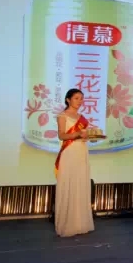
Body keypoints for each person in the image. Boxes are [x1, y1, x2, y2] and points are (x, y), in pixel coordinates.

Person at [54, 88, 94, 237]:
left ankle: (80, 223)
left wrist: (90, 136)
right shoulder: (62, 115)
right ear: (68, 100)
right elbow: (61, 135)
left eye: (81, 98)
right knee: (69, 183)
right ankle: (67, 224)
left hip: (81, 151)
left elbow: (83, 137)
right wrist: (77, 134)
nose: (80, 101)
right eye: (76, 98)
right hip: (69, 152)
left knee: (80, 183)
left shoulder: (82, 118)